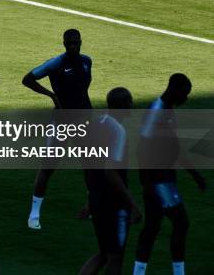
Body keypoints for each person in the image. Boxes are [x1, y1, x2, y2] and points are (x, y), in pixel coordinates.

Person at [133, 74, 206, 275]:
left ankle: (138, 272)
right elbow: (142, 148)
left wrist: (194, 175)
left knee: (152, 227)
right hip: (159, 180)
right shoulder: (156, 111)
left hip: (164, 177)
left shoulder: (168, 110)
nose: (186, 98)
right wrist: (147, 183)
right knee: (181, 223)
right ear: (175, 89)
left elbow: (175, 147)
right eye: (185, 93)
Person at [23, 28, 92, 230]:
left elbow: (82, 89)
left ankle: (92, 207)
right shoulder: (57, 63)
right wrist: (51, 95)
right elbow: (27, 79)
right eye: (69, 43)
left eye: (76, 42)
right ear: (64, 44)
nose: (72, 46)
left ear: (81, 42)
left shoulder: (87, 61)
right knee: (49, 166)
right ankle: (34, 214)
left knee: (90, 165)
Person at [79, 87, 141, 275]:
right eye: (130, 101)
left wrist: (91, 198)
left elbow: (87, 165)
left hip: (98, 199)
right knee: (115, 256)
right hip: (113, 204)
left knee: (104, 253)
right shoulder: (118, 131)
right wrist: (132, 204)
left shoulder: (97, 124)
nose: (132, 105)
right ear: (123, 105)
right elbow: (111, 172)